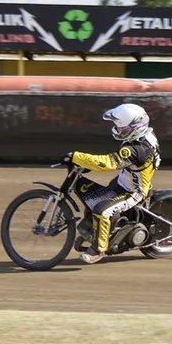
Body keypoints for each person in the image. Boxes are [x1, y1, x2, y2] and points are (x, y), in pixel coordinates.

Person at [66, 104, 161, 264]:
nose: (117, 130)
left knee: (101, 211)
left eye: (121, 128)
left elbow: (106, 164)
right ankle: (102, 230)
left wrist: (76, 157)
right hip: (122, 181)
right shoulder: (144, 137)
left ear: (134, 128)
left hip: (134, 192)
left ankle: (99, 249)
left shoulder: (137, 150)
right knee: (91, 196)